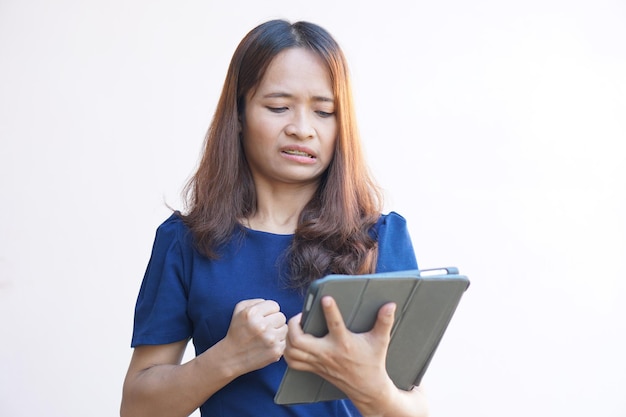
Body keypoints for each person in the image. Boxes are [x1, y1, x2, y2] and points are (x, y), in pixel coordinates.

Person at [120, 19, 429, 417]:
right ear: (239, 114)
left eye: (324, 111)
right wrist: (226, 358)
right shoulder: (184, 241)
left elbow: (415, 405)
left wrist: (369, 386)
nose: (302, 129)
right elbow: (137, 408)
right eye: (279, 107)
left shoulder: (379, 237)